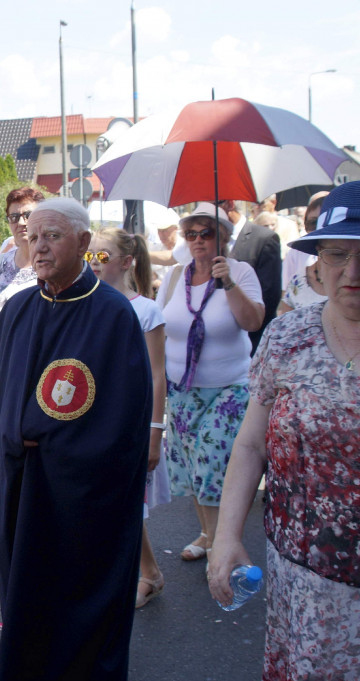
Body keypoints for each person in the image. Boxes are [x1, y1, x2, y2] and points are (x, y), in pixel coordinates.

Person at [0, 197, 151, 681]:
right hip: (21, 483)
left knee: (78, 600)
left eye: (52, 236)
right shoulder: (16, 309)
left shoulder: (113, 315)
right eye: (33, 237)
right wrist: (15, 438)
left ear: (82, 243)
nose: (38, 247)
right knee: (26, 598)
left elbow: (122, 420)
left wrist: (50, 440)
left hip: (79, 495)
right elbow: (1, 396)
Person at [209, 180, 360, 680]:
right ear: (316, 262)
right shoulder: (288, 335)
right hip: (304, 579)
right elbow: (251, 443)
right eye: (338, 254)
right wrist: (226, 536)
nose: (352, 271)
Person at [156, 203, 264, 563]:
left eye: (207, 233)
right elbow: (158, 328)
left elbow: (253, 321)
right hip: (182, 388)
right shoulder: (174, 277)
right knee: (188, 463)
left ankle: (221, 546)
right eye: (191, 233)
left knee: (212, 458)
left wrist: (228, 283)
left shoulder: (240, 271)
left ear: (224, 237)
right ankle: (206, 534)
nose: (198, 240)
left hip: (229, 387)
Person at [88, 227, 169, 609]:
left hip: (130, 418)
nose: (94, 262)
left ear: (127, 261)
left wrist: (155, 431)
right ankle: (143, 571)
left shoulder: (146, 309)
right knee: (112, 499)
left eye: (102, 255)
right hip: (95, 418)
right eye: (90, 255)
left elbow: (156, 373)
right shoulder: (87, 303)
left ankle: (147, 574)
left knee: (126, 500)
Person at [0, 187, 45, 336]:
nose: (21, 222)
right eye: (14, 217)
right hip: (1, 354)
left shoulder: (51, 263)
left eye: (28, 215)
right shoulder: (0, 263)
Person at [220, 199, 282, 352]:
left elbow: (270, 295)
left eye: (211, 205)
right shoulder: (208, 242)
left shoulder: (264, 238)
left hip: (254, 343)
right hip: (221, 345)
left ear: (229, 205)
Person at [279, 192, 329, 315]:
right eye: (313, 223)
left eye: (325, 221)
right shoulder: (299, 277)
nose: (318, 228)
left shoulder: (352, 274)